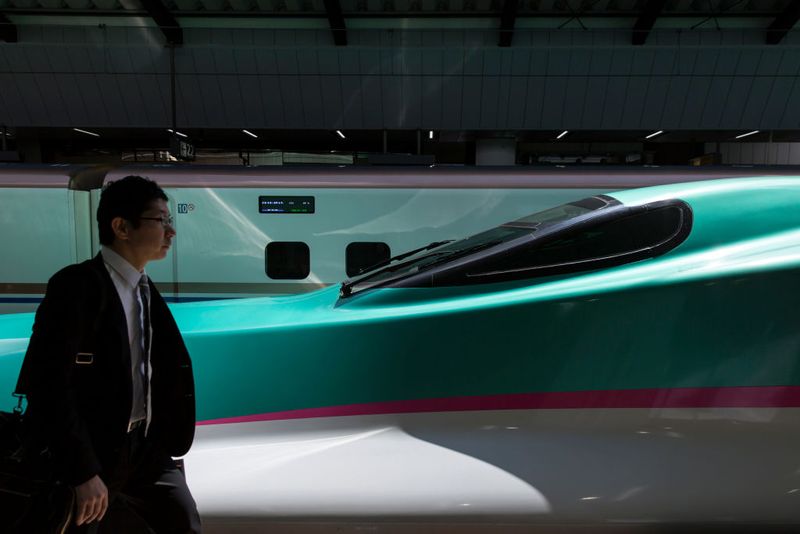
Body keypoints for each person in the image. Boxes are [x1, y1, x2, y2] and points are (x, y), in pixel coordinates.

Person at [16, 175, 201, 533]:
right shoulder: (77, 287)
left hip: (143, 448)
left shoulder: (144, 287)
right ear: (121, 227)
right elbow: (48, 383)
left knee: (182, 522)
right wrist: (82, 471)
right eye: (160, 220)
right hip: (94, 450)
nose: (171, 231)